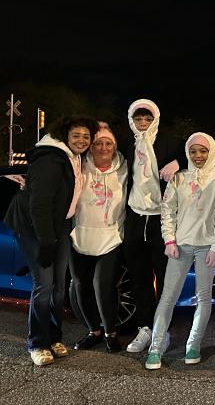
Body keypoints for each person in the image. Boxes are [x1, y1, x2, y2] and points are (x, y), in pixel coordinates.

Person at [4, 115, 98, 366]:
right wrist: (46, 241)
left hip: (60, 224)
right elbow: (40, 204)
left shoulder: (72, 158)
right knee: (44, 285)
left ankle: (54, 337)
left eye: (86, 136)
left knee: (59, 285)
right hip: (37, 226)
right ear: (65, 136)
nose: (81, 140)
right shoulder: (50, 159)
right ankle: (37, 343)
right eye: (76, 135)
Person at [145, 132, 215, 369]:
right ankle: (156, 346)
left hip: (207, 247)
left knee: (203, 298)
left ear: (211, 152)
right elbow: (167, 210)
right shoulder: (179, 178)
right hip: (181, 246)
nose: (198, 156)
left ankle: (193, 345)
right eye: (193, 151)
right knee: (168, 297)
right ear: (187, 153)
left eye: (203, 151)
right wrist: (169, 241)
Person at [122, 99, 188, 353]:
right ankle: (144, 329)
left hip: (162, 217)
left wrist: (178, 162)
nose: (142, 123)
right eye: (138, 119)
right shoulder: (128, 143)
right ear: (131, 120)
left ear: (155, 118)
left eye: (147, 118)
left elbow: (196, 153)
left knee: (164, 278)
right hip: (136, 217)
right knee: (139, 277)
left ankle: (163, 330)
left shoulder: (169, 141)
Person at [70, 122, 127, 353]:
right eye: (98, 143)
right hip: (80, 234)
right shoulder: (79, 166)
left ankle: (110, 333)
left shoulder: (125, 167)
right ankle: (93, 330)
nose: (103, 148)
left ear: (114, 147)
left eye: (108, 143)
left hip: (111, 236)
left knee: (102, 285)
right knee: (81, 284)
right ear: (91, 147)